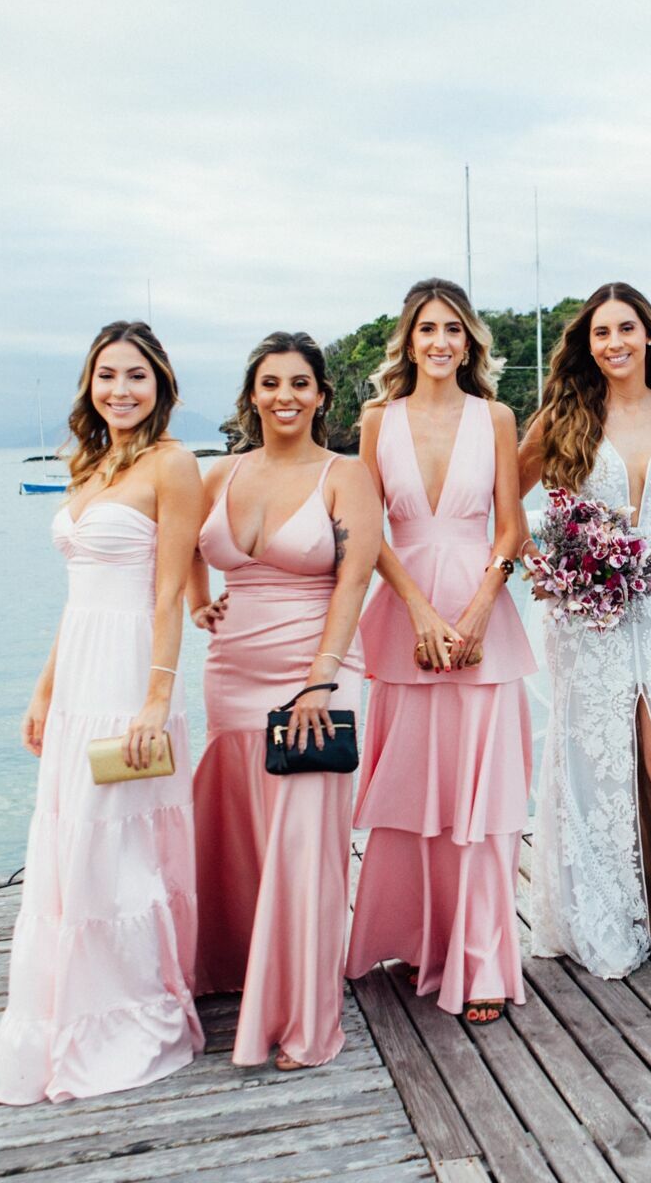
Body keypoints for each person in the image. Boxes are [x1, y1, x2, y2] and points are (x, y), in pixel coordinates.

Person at [0, 321, 204, 1104]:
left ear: (161, 385)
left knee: (118, 848)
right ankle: (68, 1008)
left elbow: (171, 591)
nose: (121, 389)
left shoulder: (173, 465)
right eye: (107, 375)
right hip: (80, 673)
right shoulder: (87, 466)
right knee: (68, 843)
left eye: (136, 376)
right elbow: (78, 599)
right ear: (90, 385)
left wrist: (156, 696)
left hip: (131, 675)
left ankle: (131, 1009)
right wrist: (44, 688)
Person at [519, 282, 651, 1014]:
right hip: (592, 620)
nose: (613, 343)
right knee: (598, 763)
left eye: (625, 329)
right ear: (589, 344)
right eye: (600, 333)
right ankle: (604, 914)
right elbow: (506, 504)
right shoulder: (564, 417)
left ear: (648, 335)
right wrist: (555, 564)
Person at [345, 278, 536, 1025]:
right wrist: (420, 611)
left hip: (483, 618)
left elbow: (511, 527)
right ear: (409, 338)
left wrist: (484, 605)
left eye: (453, 329)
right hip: (405, 619)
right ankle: (417, 938)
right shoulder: (376, 420)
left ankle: (484, 959)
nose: (440, 342)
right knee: (413, 793)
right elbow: (368, 529)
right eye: (427, 329)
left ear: (470, 341)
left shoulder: (496, 416)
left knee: (483, 799)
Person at [188, 332, 380, 1068]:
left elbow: (353, 583)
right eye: (271, 384)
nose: (285, 397)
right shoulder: (219, 475)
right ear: (252, 395)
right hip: (231, 673)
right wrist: (196, 604)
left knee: (304, 841)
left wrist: (320, 678)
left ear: (323, 396)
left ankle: (305, 1015)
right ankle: (236, 974)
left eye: (300, 383)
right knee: (235, 829)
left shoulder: (345, 474)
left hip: (318, 671)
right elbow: (178, 554)